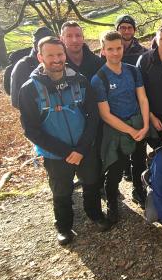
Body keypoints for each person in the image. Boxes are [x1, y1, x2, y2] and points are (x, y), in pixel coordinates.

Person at [17, 37, 111, 245]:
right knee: (61, 190)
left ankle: (95, 215)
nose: (56, 59)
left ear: (65, 55)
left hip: (84, 147)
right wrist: (65, 152)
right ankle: (64, 226)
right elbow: (30, 129)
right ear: (40, 57)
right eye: (50, 55)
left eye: (59, 54)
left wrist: (82, 148)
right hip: (55, 153)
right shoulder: (29, 89)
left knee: (92, 183)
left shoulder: (80, 81)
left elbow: (93, 116)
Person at [91, 31, 151, 221]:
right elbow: (105, 114)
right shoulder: (99, 79)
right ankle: (112, 203)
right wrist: (130, 131)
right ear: (103, 51)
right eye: (110, 49)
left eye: (118, 48)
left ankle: (138, 191)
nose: (115, 53)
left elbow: (142, 98)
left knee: (140, 162)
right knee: (116, 168)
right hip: (116, 129)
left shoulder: (133, 71)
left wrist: (145, 125)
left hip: (138, 123)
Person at [10, 26, 54, 109]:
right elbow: (17, 100)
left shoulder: (58, 61)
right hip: (37, 117)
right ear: (36, 45)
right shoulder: (23, 66)